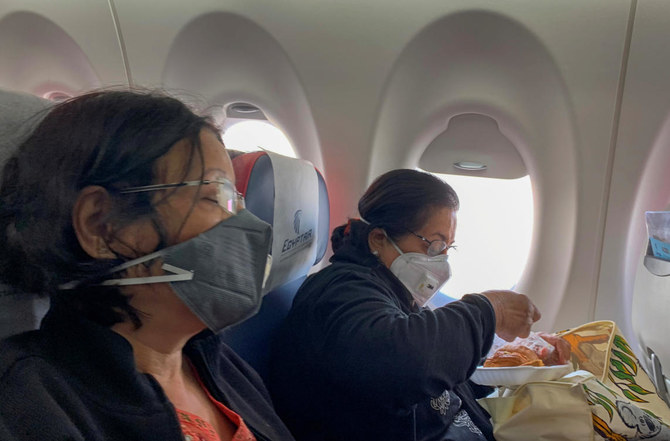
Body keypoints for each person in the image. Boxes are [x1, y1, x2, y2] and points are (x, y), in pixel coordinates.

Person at [0, 90, 295, 441]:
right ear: (102, 225)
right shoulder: (29, 405)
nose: (247, 224)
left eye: (236, 200)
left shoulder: (220, 365)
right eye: (215, 196)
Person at [269, 169, 547, 441]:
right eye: (434, 246)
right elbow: (405, 361)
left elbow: (440, 376)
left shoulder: (389, 289)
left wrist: (516, 361)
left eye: (447, 249)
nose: (442, 262)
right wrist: (492, 309)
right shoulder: (338, 291)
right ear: (378, 238)